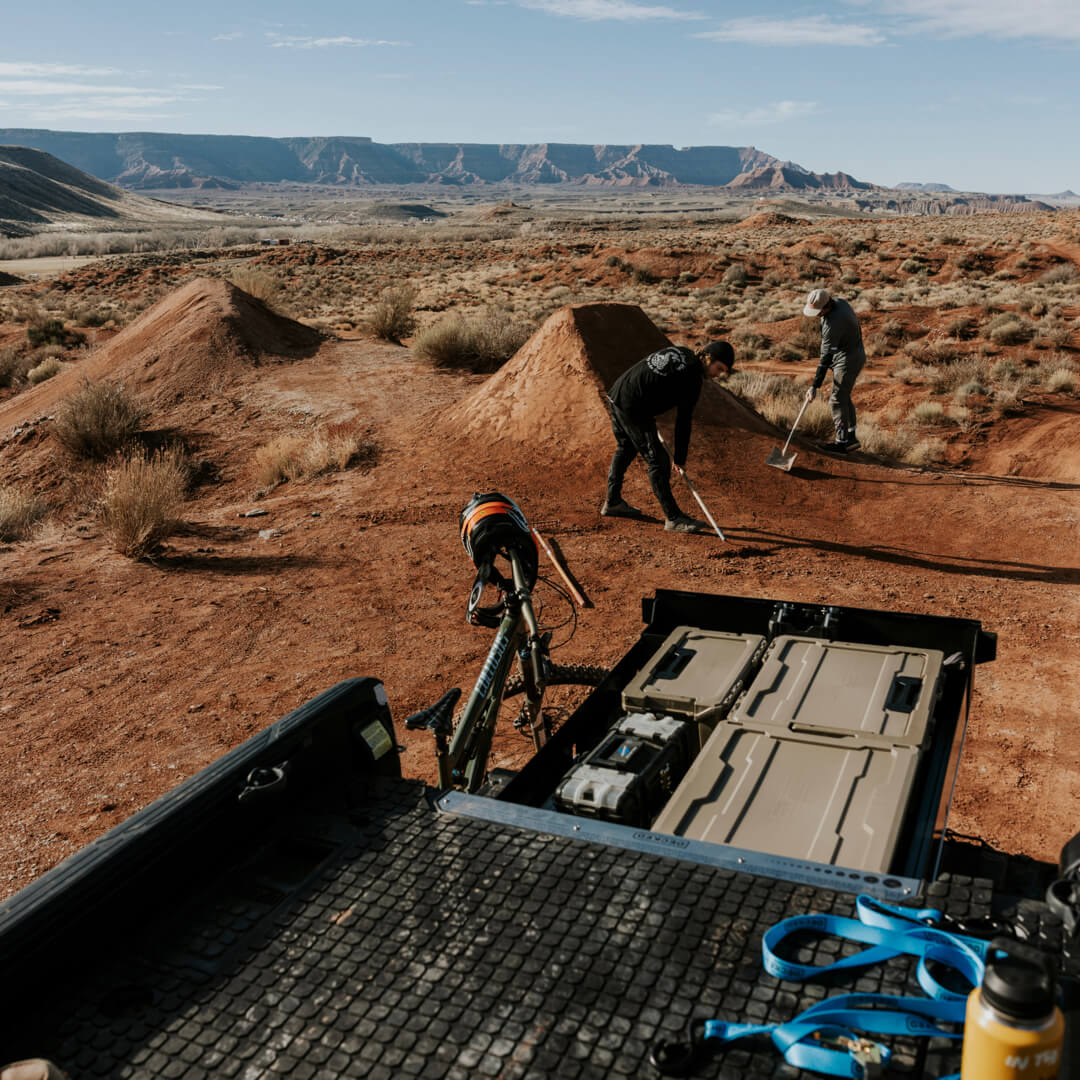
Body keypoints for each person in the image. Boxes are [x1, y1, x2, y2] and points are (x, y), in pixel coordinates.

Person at [601, 340, 734, 533]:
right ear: (708, 358)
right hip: (632, 406)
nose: (718, 375)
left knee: (626, 447)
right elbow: (683, 420)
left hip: (618, 394)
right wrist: (680, 458)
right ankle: (673, 518)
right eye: (718, 368)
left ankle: (612, 502)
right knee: (658, 460)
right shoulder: (692, 377)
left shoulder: (683, 353)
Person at [803, 288, 865, 452]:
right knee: (843, 396)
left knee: (836, 400)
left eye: (817, 312)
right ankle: (851, 438)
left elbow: (825, 359)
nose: (816, 315)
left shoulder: (832, 324)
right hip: (854, 352)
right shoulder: (840, 302)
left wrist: (814, 386)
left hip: (848, 360)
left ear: (826, 307)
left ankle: (841, 443)